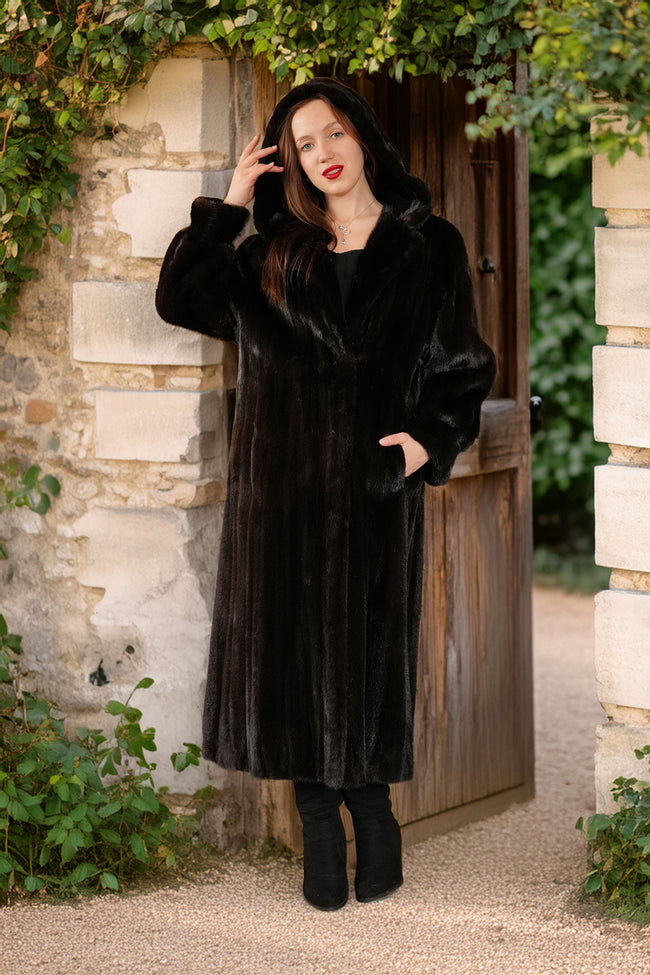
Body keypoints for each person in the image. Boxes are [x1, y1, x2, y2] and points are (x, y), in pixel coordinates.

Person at [156, 78, 496, 911]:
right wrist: (228, 205)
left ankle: (374, 816)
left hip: (377, 499)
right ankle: (317, 824)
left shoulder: (430, 249)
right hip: (279, 504)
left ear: (364, 139)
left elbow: (464, 370)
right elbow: (180, 298)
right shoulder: (271, 253)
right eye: (304, 145)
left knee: (367, 659)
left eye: (332, 134)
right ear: (291, 164)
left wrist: (430, 439)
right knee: (291, 660)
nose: (323, 154)